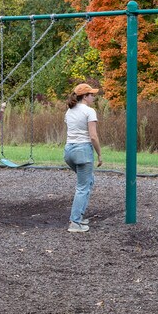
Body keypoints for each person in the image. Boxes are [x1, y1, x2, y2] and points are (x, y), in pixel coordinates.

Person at [64, 83, 103, 233]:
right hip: (83, 152)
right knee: (83, 187)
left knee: (88, 180)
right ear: (85, 96)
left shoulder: (69, 111)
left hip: (69, 151)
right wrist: (99, 153)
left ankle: (78, 216)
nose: (93, 97)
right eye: (91, 94)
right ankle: (75, 222)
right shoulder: (89, 111)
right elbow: (93, 136)